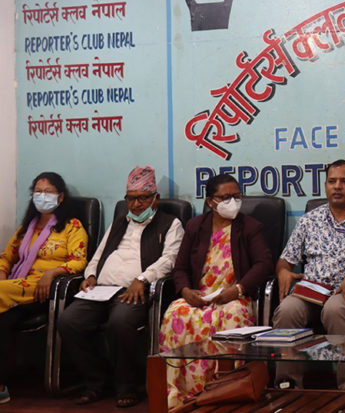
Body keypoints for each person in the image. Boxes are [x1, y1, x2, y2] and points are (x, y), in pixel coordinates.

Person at [58, 166, 184, 408]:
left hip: (133, 290)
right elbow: (99, 253)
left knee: (120, 323)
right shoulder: (119, 221)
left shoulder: (171, 224)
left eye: (143, 198)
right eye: (131, 198)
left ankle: (126, 386)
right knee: (69, 321)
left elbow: (170, 259)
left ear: (155, 198)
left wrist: (143, 279)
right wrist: (91, 275)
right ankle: (95, 381)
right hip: (101, 289)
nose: (136, 204)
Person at [160, 173, 273, 408]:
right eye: (225, 198)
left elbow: (264, 264)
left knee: (232, 316)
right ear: (211, 202)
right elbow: (180, 268)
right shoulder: (195, 226)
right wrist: (185, 291)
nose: (233, 202)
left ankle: (228, 391)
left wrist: (238, 289)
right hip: (200, 295)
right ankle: (180, 393)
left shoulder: (250, 227)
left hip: (234, 296)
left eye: (237, 196)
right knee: (175, 314)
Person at [273, 159, 345, 390]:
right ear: (325, 186)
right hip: (310, 292)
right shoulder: (309, 220)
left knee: (335, 310)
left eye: (344, 181)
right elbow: (286, 259)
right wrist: (283, 271)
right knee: (286, 310)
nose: (337, 186)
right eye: (332, 181)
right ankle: (288, 384)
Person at [0, 172, 88, 404]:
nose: (42, 196)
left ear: (60, 197)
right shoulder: (27, 228)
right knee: (3, 321)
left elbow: (79, 261)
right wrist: (2, 274)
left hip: (45, 289)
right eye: (38, 192)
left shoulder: (71, 226)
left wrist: (52, 272)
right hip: (15, 288)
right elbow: (7, 257)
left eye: (48, 192)